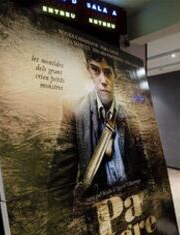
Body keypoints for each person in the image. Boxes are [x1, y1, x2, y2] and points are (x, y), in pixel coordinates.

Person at [48, 49, 144, 209]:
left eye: (108, 72)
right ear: (88, 71)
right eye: (95, 70)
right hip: (98, 206)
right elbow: (61, 180)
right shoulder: (75, 112)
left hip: (130, 200)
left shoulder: (129, 115)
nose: (103, 80)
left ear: (115, 75)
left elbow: (143, 164)